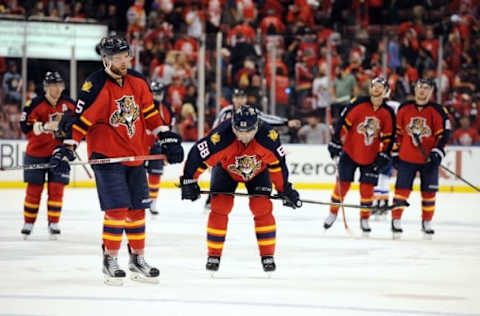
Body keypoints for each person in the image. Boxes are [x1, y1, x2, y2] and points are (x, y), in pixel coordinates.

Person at [52, 35, 184, 285]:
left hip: (134, 155)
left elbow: (150, 114)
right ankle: (110, 259)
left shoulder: (137, 81)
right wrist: (67, 147)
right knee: (117, 209)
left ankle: (137, 259)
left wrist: (165, 136)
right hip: (106, 157)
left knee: (137, 210)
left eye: (126, 56)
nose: (124, 62)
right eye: (118, 58)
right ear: (106, 59)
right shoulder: (95, 85)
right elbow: (80, 122)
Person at [180, 105, 301, 274]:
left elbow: (277, 165)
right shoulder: (221, 136)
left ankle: (267, 255)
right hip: (225, 171)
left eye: (249, 131)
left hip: (258, 172)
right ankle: (213, 255)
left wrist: (284, 189)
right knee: (220, 207)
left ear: (257, 126)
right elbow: (197, 155)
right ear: (233, 127)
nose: (244, 136)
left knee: (262, 207)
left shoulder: (269, 137)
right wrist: (188, 180)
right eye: (239, 131)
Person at [204, 88, 301, 211]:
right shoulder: (226, 112)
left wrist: (285, 122)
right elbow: (214, 132)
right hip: (227, 151)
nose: (240, 100)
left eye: (242, 98)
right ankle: (213, 197)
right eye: (237, 98)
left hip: (248, 149)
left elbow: (267, 119)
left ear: (245, 99)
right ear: (233, 99)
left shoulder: (251, 113)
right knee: (220, 175)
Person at [325, 77, 395, 236]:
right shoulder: (358, 103)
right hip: (350, 151)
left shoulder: (387, 112)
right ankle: (333, 213)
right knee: (342, 186)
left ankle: (365, 219)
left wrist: (385, 153)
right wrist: (336, 141)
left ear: (386, 92)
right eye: (374, 86)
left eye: (380, 87)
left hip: (371, 156)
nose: (377, 89)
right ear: (370, 89)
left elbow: (389, 137)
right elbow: (343, 123)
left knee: (367, 190)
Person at [390, 79, 451, 239]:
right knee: (401, 191)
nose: (422, 91)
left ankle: (427, 222)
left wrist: (438, 151)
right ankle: (396, 220)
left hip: (428, 160)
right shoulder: (404, 108)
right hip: (406, 158)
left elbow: (444, 134)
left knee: (429, 192)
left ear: (431, 92)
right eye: (419, 87)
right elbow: (396, 134)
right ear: (414, 89)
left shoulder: (438, 110)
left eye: (426, 88)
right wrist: (395, 152)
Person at [19, 71, 75, 240]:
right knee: (34, 191)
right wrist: (42, 126)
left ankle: (54, 222)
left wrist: (68, 131)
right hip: (36, 152)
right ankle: (28, 222)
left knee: (56, 190)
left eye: (59, 85)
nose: (57, 89)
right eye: (53, 86)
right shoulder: (34, 104)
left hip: (59, 153)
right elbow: (25, 127)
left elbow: (80, 124)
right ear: (46, 87)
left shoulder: (69, 104)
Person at [145, 81, 175, 215]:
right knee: (135, 172)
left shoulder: (167, 108)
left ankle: (152, 201)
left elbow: (169, 128)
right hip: (141, 144)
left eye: (159, 93)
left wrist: (168, 147)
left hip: (157, 145)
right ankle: (137, 199)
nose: (156, 96)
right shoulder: (142, 105)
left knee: (155, 173)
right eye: (154, 93)